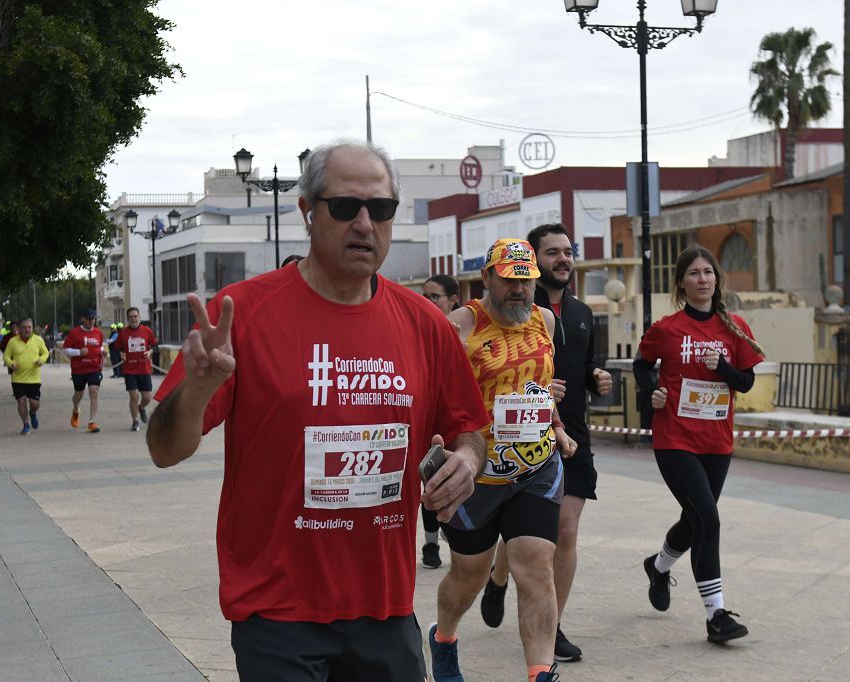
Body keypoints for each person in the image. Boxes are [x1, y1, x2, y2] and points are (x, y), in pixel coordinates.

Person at [146, 140, 490, 682]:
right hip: (278, 610)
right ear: (308, 212)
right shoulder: (243, 314)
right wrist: (195, 389)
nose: (364, 223)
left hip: (386, 606)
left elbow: (470, 429)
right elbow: (164, 450)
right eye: (344, 207)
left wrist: (467, 463)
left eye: (379, 210)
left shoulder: (425, 324)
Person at [429, 238, 576, 682]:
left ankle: (540, 672)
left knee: (535, 568)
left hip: (535, 466)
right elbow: (436, 392)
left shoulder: (544, 320)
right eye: (510, 281)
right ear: (487, 279)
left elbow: (539, 384)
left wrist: (557, 425)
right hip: (476, 475)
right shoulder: (460, 324)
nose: (520, 290)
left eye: (527, 280)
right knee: (468, 578)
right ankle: (445, 637)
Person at [478, 224, 613, 663]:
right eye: (552, 252)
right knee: (519, 533)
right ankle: (498, 580)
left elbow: (585, 364)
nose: (563, 259)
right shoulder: (515, 309)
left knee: (565, 531)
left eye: (568, 251)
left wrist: (597, 378)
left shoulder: (578, 312)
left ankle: (551, 629)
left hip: (571, 432)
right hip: (514, 439)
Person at [633, 246, 764, 644]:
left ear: (717, 280)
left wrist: (721, 367)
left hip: (717, 441)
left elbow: (745, 382)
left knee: (695, 520)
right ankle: (716, 615)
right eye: (694, 272)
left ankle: (658, 567)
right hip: (674, 438)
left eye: (709, 272)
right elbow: (641, 363)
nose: (703, 279)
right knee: (709, 520)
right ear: (681, 282)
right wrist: (650, 391)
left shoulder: (735, 327)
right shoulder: (668, 328)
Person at [418, 274, 462, 570]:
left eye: (435, 296)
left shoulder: (467, 332)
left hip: (461, 420)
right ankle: (431, 542)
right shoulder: (417, 329)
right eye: (425, 296)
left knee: (458, 479)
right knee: (431, 480)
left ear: (453, 300)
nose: (428, 302)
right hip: (428, 419)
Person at [3, 318, 49, 435]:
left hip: (34, 378)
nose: (27, 330)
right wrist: (11, 364)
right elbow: (6, 356)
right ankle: (26, 424)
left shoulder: (38, 340)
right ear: (19, 328)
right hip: (18, 378)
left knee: (34, 403)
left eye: (29, 327)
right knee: (21, 401)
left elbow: (45, 353)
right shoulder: (13, 341)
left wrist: (41, 360)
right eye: (25, 327)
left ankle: (32, 413)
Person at [63, 310, 106, 433]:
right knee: (78, 395)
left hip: (94, 368)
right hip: (79, 369)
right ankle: (76, 410)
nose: (91, 321)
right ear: (83, 319)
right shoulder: (74, 333)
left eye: (93, 319)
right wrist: (78, 352)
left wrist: (102, 351)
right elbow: (65, 349)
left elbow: (99, 345)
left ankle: (92, 422)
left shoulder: (98, 332)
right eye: (89, 319)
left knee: (94, 392)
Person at [117, 308, 157, 432]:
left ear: (139, 317)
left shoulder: (147, 331)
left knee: (147, 398)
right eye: (131, 317)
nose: (133, 319)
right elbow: (118, 348)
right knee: (134, 396)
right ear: (128, 319)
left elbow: (155, 346)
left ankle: (141, 407)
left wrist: (150, 352)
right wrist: (121, 354)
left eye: (135, 316)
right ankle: (135, 421)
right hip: (129, 369)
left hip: (144, 368)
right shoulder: (123, 333)